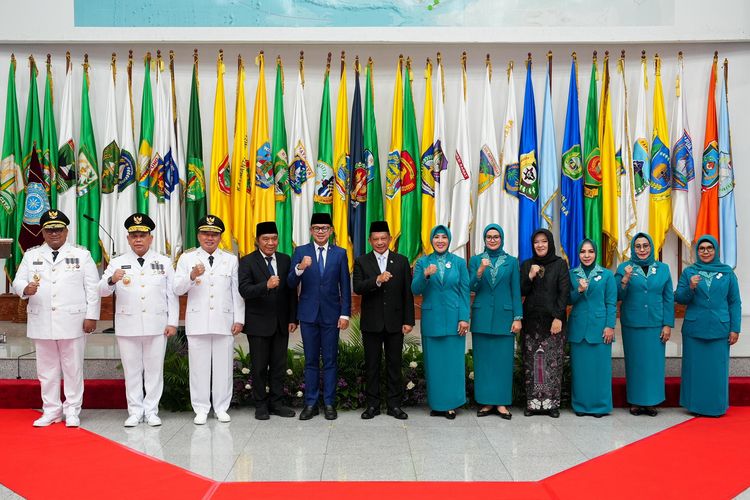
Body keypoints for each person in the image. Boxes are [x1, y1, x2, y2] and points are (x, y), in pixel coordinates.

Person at [12, 210, 100, 427]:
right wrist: (26, 289)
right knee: (46, 370)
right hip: (42, 320)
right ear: (42, 232)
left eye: (58, 229)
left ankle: (72, 411)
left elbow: (93, 289)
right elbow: (17, 282)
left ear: (66, 231)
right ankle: (51, 410)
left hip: (73, 321)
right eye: (50, 229)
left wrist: (92, 316)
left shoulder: (82, 255)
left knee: (73, 368)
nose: (54, 233)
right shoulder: (32, 255)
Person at [100, 213, 179, 427]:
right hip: (128, 325)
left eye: (142, 235)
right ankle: (134, 411)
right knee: (132, 370)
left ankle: (151, 411)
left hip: (156, 325)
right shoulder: (117, 262)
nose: (138, 239)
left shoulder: (163, 262)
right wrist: (111, 279)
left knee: (154, 371)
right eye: (134, 235)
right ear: (127, 238)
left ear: (150, 238)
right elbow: (101, 291)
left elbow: (171, 294)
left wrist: (172, 322)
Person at [174, 215, 244, 425]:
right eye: (206, 233)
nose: (210, 238)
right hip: (198, 321)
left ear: (220, 236)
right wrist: (191, 276)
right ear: (198, 235)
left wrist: (239, 319)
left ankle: (222, 407)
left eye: (214, 234)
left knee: (223, 368)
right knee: (199, 368)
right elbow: (177, 288)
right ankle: (201, 408)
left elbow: (236, 291)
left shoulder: (230, 259)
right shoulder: (187, 258)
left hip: (224, 321)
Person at [287, 212, 351, 421]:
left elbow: (345, 286)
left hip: (332, 315)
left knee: (331, 360)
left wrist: (345, 314)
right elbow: (289, 284)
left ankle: (330, 403)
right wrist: (300, 267)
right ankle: (311, 403)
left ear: (331, 231)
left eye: (325, 228)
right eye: (317, 228)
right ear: (311, 231)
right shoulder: (300, 251)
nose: (321, 232)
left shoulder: (340, 253)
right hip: (308, 315)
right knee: (311, 361)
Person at [353, 221, 415, 420]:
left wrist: (408, 320)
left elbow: (408, 293)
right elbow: (358, 287)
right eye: (376, 239)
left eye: (383, 238)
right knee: (372, 366)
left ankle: (394, 406)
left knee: (394, 365)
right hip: (371, 323)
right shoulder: (362, 261)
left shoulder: (401, 261)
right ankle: (372, 406)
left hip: (395, 323)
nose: (380, 242)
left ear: (389, 239)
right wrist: (377, 280)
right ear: (370, 240)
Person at [675, 235, 741, 417]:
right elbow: (679, 298)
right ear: (697, 251)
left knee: (717, 370)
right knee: (694, 370)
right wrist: (690, 287)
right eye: (702, 248)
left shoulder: (727, 272)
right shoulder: (690, 272)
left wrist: (735, 328)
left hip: (720, 328)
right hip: (694, 329)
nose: (705, 251)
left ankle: (716, 406)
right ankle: (694, 406)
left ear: (716, 250)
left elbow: (734, 302)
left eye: (709, 248)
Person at [238, 221, 298, 420]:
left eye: (274, 238)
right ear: (257, 241)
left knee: (279, 366)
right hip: (258, 324)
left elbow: (291, 291)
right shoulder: (247, 261)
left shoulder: (285, 259)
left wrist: (292, 318)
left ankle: (277, 403)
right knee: (259, 366)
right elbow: (244, 290)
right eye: (266, 239)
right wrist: (266, 285)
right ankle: (261, 404)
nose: (270, 243)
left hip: (281, 323)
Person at [411, 225, 470, 419]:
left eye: (444, 237)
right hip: (432, 319)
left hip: (455, 321)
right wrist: (425, 274)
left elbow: (464, 292)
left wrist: (464, 318)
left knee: (452, 364)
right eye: (436, 237)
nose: (440, 241)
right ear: (431, 240)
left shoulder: (459, 263)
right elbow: (415, 289)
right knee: (434, 364)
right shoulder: (422, 262)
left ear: (449, 240)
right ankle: (437, 404)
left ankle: (451, 404)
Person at [615, 232, 674, 417]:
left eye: (645, 246)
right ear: (633, 248)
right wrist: (624, 279)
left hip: (656, 323)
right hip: (633, 324)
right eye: (638, 246)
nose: (642, 249)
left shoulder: (663, 269)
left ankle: (652, 402)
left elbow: (668, 298)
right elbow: (616, 295)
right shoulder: (625, 267)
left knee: (654, 365)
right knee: (635, 364)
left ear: (651, 247)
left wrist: (667, 324)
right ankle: (635, 401)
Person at [468, 224, 522, 420]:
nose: (492, 239)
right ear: (484, 239)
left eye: (496, 236)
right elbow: (471, 286)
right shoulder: (475, 260)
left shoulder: (511, 262)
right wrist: (480, 270)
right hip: (482, 317)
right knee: (483, 363)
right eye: (489, 236)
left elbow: (515, 291)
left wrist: (518, 317)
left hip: (504, 318)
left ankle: (501, 403)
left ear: (502, 238)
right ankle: (486, 401)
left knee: (503, 362)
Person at [520, 228, 570, 418]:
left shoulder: (559, 264)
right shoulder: (527, 264)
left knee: (552, 364)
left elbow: (564, 292)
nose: (540, 245)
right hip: (531, 323)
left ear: (549, 243)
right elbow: (521, 290)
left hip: (553, 323)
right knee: (531, 365)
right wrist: (530, 276)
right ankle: (533, 404)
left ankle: (551, 405)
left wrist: (558, 317)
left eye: (544, 241)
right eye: (536, 242)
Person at [567, 239, 616, 417]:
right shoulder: (572, 274)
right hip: (578, 328)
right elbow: (566, 299)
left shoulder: (607, 275)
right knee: (581, 371)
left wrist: (610, 325)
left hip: (600, 328)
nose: (586, 255)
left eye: (590, 252)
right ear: (578, 254)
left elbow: (611, 303)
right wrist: (578, 290)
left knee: (600, 370)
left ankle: (600, 406)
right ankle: (580, 405)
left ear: (596, 253)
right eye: (583, 252)